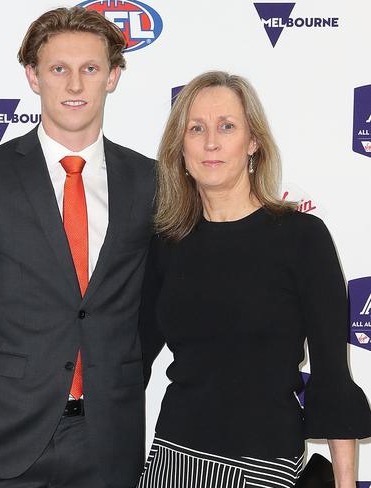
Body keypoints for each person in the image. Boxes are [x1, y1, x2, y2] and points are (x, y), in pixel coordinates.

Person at [0, 7, 155, 488]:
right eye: (59, 69)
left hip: (107, 442)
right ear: (33, 77)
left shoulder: (148, 182)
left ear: (113, 77)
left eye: (90, 69)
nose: (75, 85)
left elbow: (153, 309)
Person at [138, 71, 371, 488]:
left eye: (227, 126)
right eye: (196, 128)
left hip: (264, 466)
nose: (211, 141)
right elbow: (130, 357)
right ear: (181, 149)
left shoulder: (302, 238)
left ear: (253, 143)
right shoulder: (167, 243)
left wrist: (347, 485)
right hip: (172, 460)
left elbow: (333, 378)